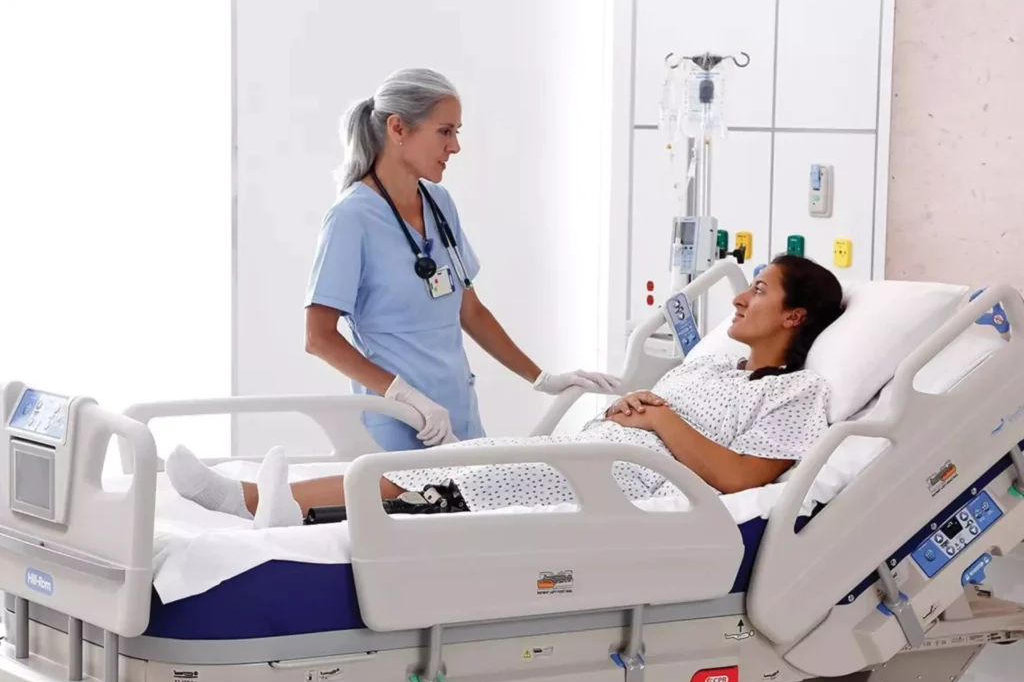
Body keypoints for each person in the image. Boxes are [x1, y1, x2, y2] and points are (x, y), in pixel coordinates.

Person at [165, 255, 844, 527]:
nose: (742, 297)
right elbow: (654, 415)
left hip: (629, 486)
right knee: (442, 464)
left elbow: (738, 477)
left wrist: (659, 422)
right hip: (598, 455)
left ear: (795, 317)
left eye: (761, 290)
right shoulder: (709, 367)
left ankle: (254, 502)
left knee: (439, 482)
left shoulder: (799, 393)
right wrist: (628, 409)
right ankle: (269, 501)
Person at [303, 66, 616, 451]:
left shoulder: (439, 204)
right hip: (397, 422)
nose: (455, 146)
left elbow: (470, 311)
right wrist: (405, 396)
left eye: (456, 132)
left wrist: (542, 379)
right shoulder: (351, 218)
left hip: (457, 416)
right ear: (398, 129)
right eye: (445, 131)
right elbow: (319, 338)